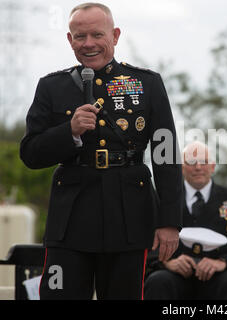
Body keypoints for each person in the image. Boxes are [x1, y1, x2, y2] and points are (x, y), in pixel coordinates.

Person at [20, 3, 182, 300]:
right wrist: (68, 131)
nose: (89, 43)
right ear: (70, 40)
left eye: (97, 34)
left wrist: (170, 221)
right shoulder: (51, 86)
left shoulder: (146, 83)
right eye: (80, 36)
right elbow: (30, 153)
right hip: (70, 220)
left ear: (115, 35)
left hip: (129, 215)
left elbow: (166, 153)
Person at [144, 141, 227, 300]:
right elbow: (146, 240)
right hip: (173, 274)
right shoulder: (161, 199)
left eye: (203, 161)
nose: (198, 167)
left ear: (213, 166)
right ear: (182, 167)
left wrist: (222, 263)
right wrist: (167, 262)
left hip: (219, 276)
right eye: (191, 162)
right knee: (157, 281)